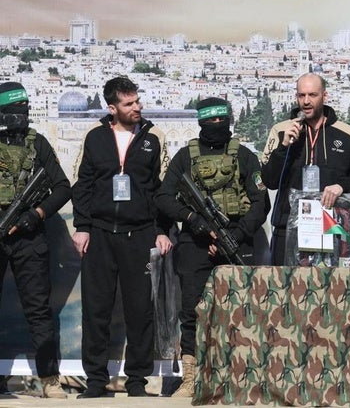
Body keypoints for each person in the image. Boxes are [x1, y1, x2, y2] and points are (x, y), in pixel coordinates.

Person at [155, 97, 270, 398]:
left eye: (222, 121)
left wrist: (236, 232)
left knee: (239, 310)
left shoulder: (245, 157)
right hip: (195, 243)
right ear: (202, 123)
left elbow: (261, 202)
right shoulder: (185, 158)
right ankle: (191, 377)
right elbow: (164, 198)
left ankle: (240, 374)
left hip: (236, 242)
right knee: (191, 311)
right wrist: (193, 220)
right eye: (211, 122)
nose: (217, 127)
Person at [71, 76, 172, 398]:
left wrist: (161, 231)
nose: (137, 107)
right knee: (95, 309)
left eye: (137, 101)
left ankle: (137, 381)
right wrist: (82, 226)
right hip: (100, 234)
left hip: (140, 235)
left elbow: (162, 189)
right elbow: (82, 183)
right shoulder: (95, 136)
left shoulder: (154, 136)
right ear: (112, 107)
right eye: (129, 104)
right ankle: (96, 381)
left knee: (140, 311)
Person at [0, 82, 71, 399]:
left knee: (39, 310)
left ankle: (49, 379)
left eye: (24, 109)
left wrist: (37, 214)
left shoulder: (37, 143)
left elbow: (62, 187)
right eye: (16, 110)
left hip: (28, 235)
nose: (22, 115)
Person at [261, 73, 350, 266]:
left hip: (333, 228)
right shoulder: (281, 130)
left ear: (324, 96)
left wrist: (341, 186)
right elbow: (269, 180)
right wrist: (284, 147)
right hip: (288, 229)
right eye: (301, 96)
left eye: (312, 95)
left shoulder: (347, 134)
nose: (306, 101)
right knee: (286, 291)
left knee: (331, 293)